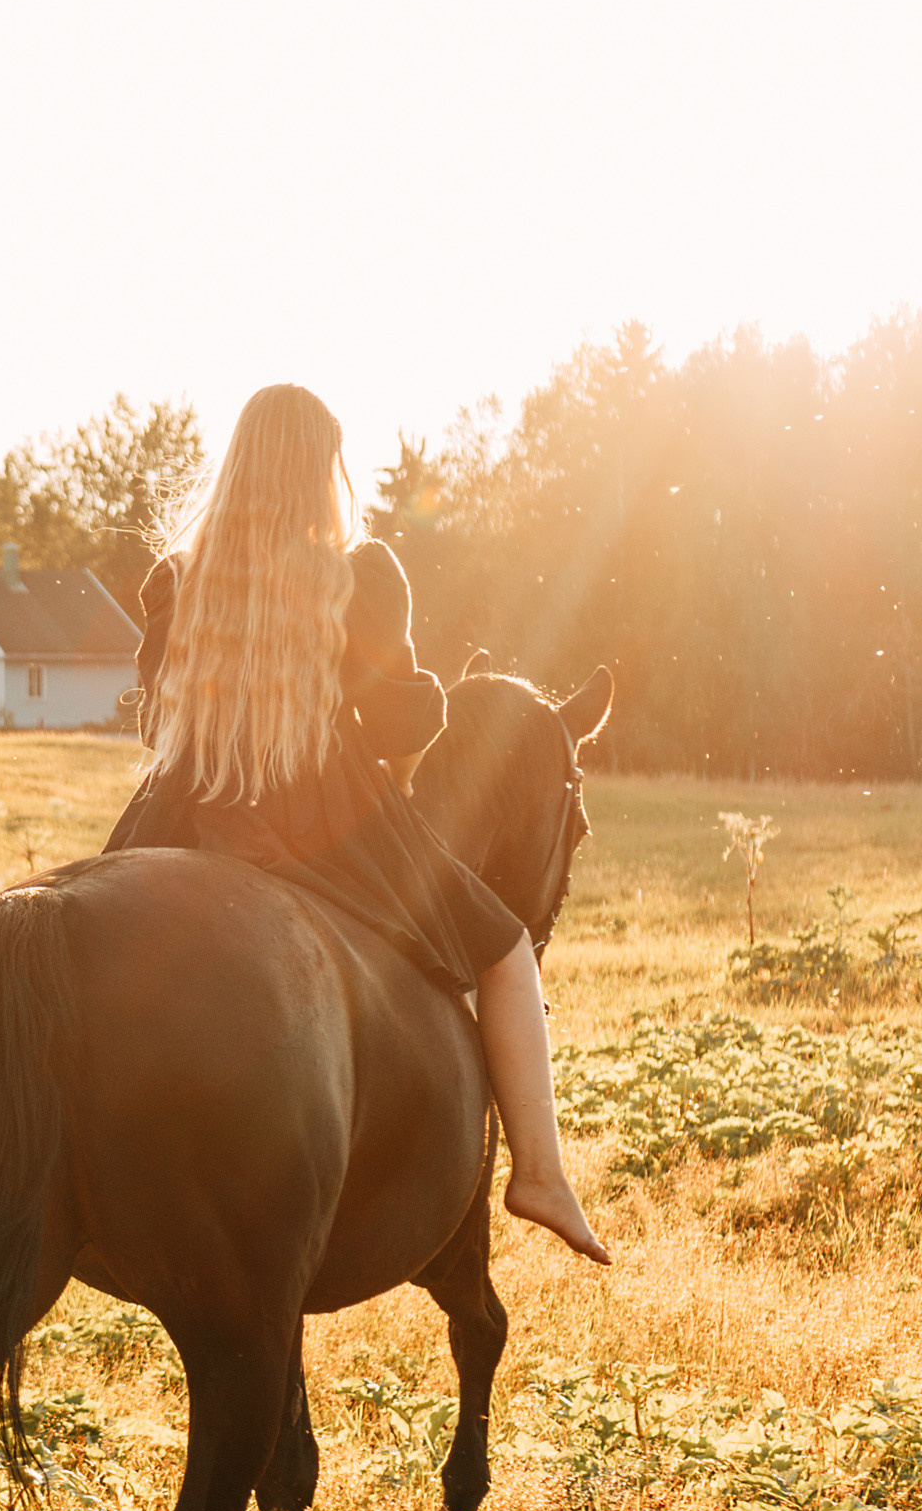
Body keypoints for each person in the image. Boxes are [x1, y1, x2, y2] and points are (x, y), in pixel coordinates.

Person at [105, 381, 609, 1264]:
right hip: (327, 820)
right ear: (325, 470)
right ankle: (540, 1174)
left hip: (180, 810)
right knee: (501, 954)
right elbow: (405, 728)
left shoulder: (175, 577)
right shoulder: (363, 574)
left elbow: (156, 719)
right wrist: (392, 782)